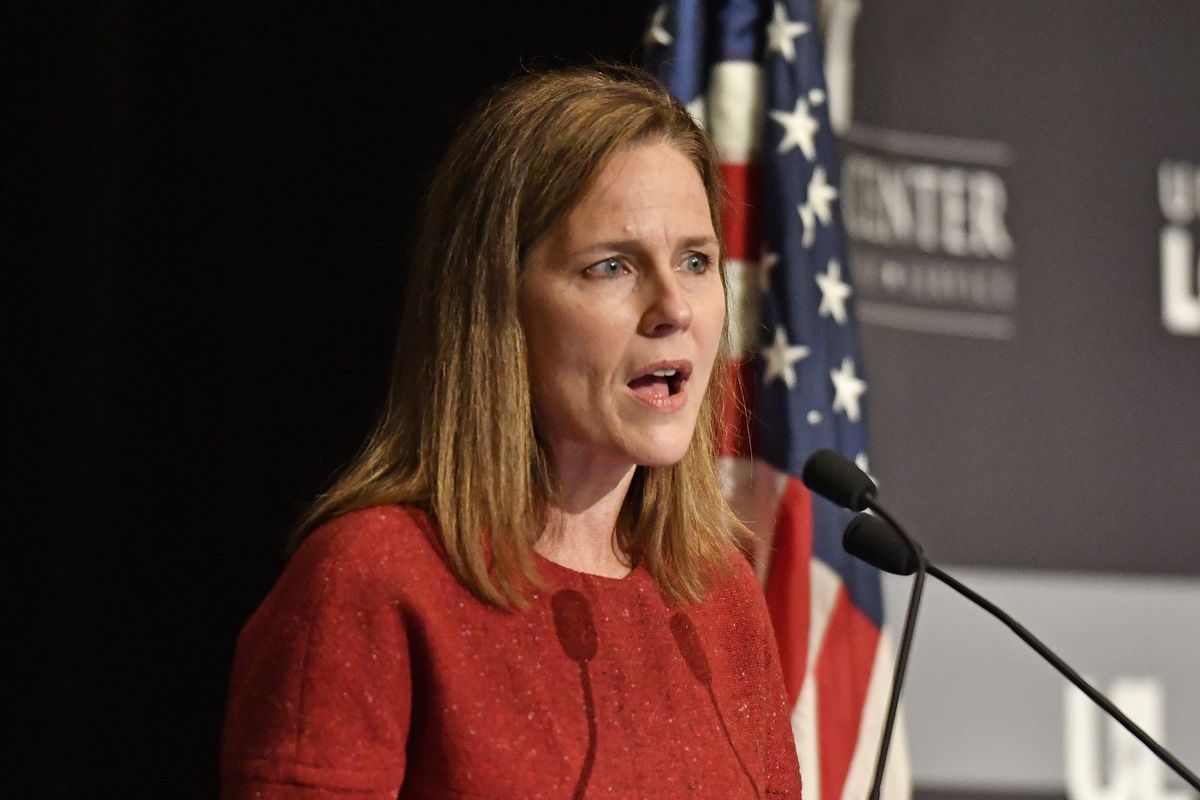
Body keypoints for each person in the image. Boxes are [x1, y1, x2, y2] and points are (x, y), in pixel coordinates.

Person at [221, 63, 802, 799]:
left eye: (695, 261)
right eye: (612, 266)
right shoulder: (372, 581)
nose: (674, 308)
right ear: (498, 305)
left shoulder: (720, 597)